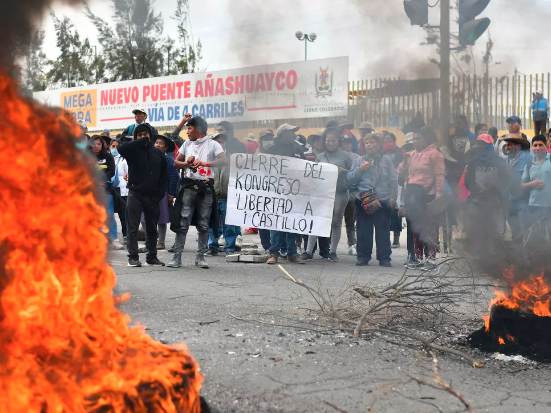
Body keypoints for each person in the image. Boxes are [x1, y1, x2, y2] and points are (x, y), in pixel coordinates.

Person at [168, 114, 228, 269]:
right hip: (188, 187)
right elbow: (176, 163)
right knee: (183, 222)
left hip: (206, 188)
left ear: (198, 129)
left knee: (204, 223)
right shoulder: (187, 144)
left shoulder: (214, 145)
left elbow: (224, 160)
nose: (187, 132)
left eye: (189, 128)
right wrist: (186, 163)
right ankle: (177, 258)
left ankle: (200, 258)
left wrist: (206, 163)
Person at [464, 133, 521, 260]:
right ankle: (480, 260)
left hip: (496, 202)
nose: (481, 146)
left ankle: (497, 259)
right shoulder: (473, 163)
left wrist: (492, 190)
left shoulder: (499, 162)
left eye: (484, 144)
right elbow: (468, 181)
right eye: (479, 144)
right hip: (477, 201)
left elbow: (506, 179)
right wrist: (478, 191)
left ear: (490, 146)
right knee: (476, 229)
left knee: (497, 231)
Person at [300, 128, 353, 263]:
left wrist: (343, 172)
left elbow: (352, 174)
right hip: (322, 193)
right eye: (328, 141)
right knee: (317, 220)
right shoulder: (320, 156)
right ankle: (308, 251)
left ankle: (333, 251)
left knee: (336, 222)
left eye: (333, 141)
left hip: (340, 193)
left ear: (338, 142)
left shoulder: (346, 156)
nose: (330, 143)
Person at [118, 124, 168, 268]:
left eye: (144, 134)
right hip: (135, 193)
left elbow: (164, 176)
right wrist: (141, 140)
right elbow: (122, 148)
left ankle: (151, 256)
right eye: (139, 135)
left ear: (150, 135)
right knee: (132, 227)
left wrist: (159, 193)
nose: (142, 137)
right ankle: (133, 257)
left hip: (153, 196)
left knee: (152, 228)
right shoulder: (132, 151)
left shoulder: (158, 153)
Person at [398, 127, 445, 270]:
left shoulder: (435, 154)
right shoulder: (412, 155)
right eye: (414, 139)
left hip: (428, 195)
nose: (416, 142)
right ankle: (417, 258)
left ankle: (431, 259)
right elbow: (400, 173)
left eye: (419, 138)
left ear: (426, 139)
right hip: (413, 196)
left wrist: (438, 196)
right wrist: (404, 162)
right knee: (416, 227)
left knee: (430, 227)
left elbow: (439, 176)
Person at [348, 133, 398, 267]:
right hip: (364, 200)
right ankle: (363, 257)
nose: (369, 145)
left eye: (372, 142)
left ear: (379, 145)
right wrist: (360, 170)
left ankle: (384, 257)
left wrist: (393, 197)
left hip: (383, 199)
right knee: (363, 230)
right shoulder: (359, 161)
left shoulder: (386, 160)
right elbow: (350, 179)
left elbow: (393, 179)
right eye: (367, 143)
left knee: (383, 230)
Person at [266, 124, 306, 265]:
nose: (293, 135)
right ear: (282, 134)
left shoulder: (298, 149)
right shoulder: (273, 149)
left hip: (294, 192)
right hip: (277, 191)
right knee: (277, 224)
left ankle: (292, 253)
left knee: (292, 224)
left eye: (293, 132)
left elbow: (306, 168)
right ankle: (274, 253)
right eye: (290, 132)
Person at [207, 133, 240, 256]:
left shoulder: (234, 159)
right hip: (212, 197)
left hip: (229, 197)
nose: (220, 144)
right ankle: (212, 247)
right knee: (211, 224)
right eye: (217, 142)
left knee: (230, 225)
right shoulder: (208, 160)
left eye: (222, 142)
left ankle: (229, 247)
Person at [91, 135, 123, 251]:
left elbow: (111, 170)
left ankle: (114, 239)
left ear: (102, 145)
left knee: (109, 215)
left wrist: (103, 180)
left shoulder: (108, 156)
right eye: (94, 144)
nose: (96, 146)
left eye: (98, 144)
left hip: (106, 190)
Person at [522, 135, 551, 257]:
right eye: (535, 145)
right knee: (536, 238)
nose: (538, 148)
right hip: (534, 207)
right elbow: (522, 185)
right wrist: (531, 184)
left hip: (549, 207)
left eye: (541, 145)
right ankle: (540, 265)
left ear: (546, 146)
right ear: (532, 147)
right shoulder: (529, 165)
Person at [150, 135, 179, 250]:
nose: (157, 144)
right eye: (156, 142)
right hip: (149, 191)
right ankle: (151, 239)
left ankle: (161, 241)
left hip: (163, 192)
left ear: (166, 147)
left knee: (161, 218)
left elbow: (174, 177)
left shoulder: (168, 159)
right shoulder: (149, 157)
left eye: (160, 143)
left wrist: (171, 194)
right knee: (146, 217)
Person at [502, 135, 531, 246]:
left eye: (509, 144)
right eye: (506, 144)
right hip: (509, 201)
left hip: (524, 201)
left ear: (518, 146)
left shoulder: (528, 159)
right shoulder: (505, 161)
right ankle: (517, 257)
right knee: (514, 231)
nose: (507, 147)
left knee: (526, 230)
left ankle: (531, 257)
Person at [342, 131, 361, 255]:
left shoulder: (356, 157)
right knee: (334, 221)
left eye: (348, 142)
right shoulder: (337, 156)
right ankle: (329, 246)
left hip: (351, 192)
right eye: (344, 142)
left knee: (351, 221)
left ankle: (351, 244)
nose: (346, 144)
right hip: (337, 191)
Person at [383, 142, 402, 248]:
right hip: (385, 192)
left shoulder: (399, 164)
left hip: (397, 192)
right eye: (387, 152)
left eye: (391, 152)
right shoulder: (382, 163)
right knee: (386, 216)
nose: (389, 154)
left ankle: (396, 238)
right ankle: (387, 238)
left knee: (396, 215)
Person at [110, 139, 129, 244]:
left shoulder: (124, 159)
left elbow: (128, 174)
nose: (115, 149)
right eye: (113, 146)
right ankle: (112, 236)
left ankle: (126, 234)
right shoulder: (108, 158)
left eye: (117, 146)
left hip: (122, 190)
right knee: (110, 214)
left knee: (123, 214)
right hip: (110, 189)